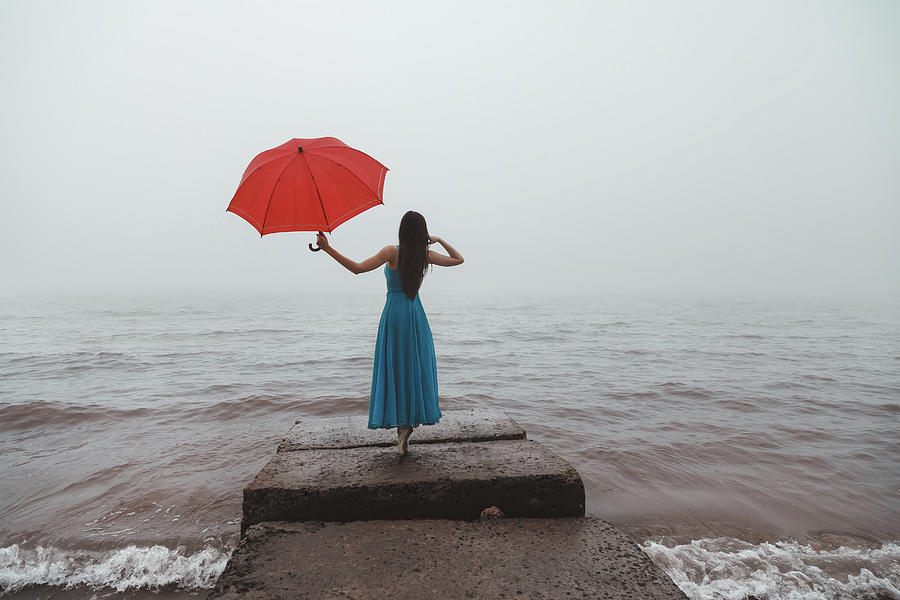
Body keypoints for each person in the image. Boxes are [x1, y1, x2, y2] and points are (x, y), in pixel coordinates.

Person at [315, 211, 464, 456]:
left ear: (402, 230)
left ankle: (401, 425)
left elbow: (357, 269)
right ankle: (406, 427)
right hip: (415, 314)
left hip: (394, 315)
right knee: (413, 367)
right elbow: (458, 260)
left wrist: (327, 248)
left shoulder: (391, 252)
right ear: (421, 233)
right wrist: (438, 240)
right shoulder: (424, 255)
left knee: (395, 368)